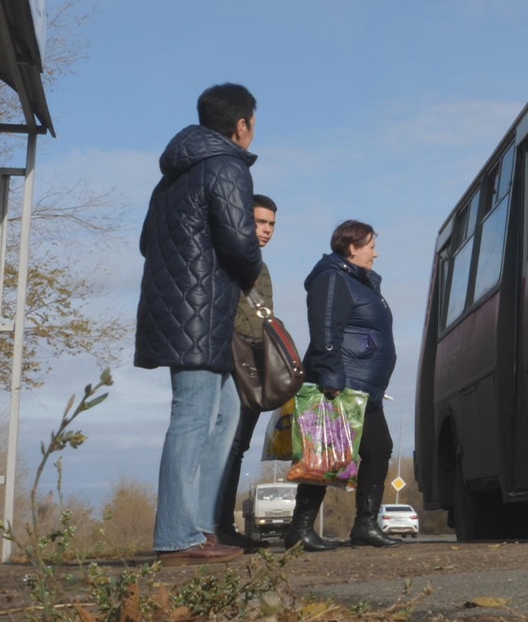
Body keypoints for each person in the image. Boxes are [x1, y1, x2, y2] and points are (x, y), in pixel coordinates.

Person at [135, 83, 264, 564]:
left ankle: (201, 526)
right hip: (200, 308)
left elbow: (148, 241)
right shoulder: (227, 165)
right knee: (192, 417)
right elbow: (238, 241)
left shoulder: (171, 177)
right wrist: (245, 273)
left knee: (226, 412)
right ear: (242, 125)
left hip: (182, 305)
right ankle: (175, 536)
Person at [288, 220, 399, 550]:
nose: (375, 254)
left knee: (378, 449)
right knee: (324, 457)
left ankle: (365, 525)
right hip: (342, 383)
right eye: (370, 246)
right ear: (352, 247)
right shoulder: (333, 278)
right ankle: (300, 528)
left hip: (365, 387)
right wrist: (330, 373)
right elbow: (324, 328)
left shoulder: (361, 282)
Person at [212, 193, 287, 551]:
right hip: (232, 361)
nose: (267, 230)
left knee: (237, 447)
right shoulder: (227, 257)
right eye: (260, 222)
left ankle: (221, 525)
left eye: (271, 224)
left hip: (253, 363)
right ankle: (213, 526)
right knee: (224, 446)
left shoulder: (260, 263)